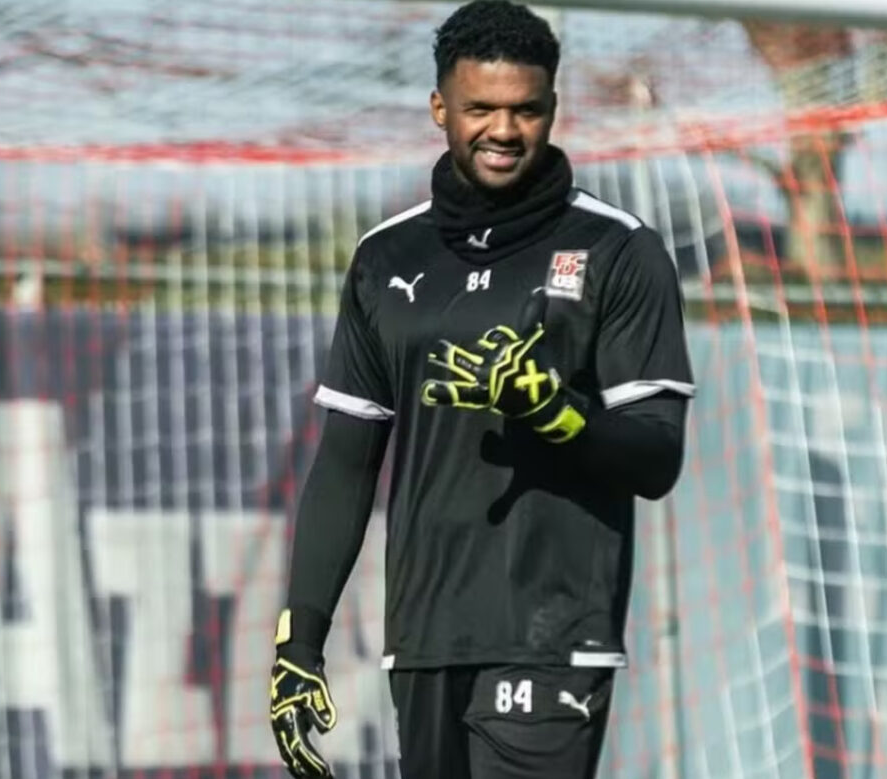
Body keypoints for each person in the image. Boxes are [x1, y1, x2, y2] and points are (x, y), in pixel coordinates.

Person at [268, 1, 694, 777]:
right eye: (481, 109)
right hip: (423, 637)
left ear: (553, 109)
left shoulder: (616, 250)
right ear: (440, 108)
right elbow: (346, 464)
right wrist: (300, 643)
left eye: (526, 109)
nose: (504, 129)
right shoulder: (384, 257)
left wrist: (557, 413)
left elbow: (657, 456)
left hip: (553, 632)